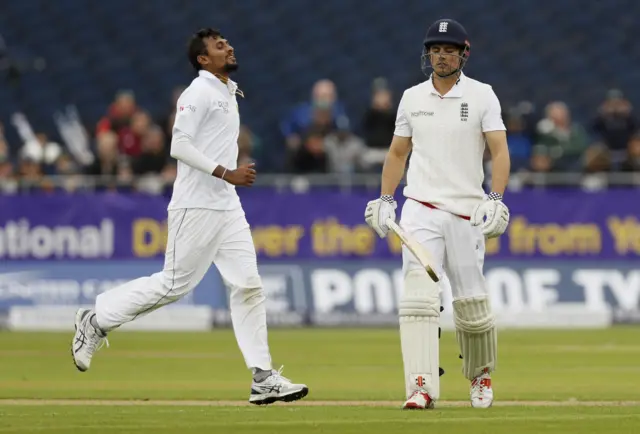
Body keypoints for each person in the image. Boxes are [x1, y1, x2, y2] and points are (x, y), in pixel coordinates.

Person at [71, 28, 309, 406]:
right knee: (173, 286)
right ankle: (96, 319)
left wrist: (227, 183)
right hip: (195, 204)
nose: (229, 46)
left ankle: (262, 377)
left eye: (228, 42)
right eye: (219, 45)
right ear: (202, 59)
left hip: (226, 204)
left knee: (248, 285)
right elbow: (178, 145)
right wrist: (226, 172)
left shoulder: (227, 92)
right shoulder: (197, 93)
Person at [364, 18, 510, 410]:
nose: (441, 57)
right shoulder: (412, 97)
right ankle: (420, 387)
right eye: (435, 50)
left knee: (471, 306)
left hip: (466, 212)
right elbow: (397, 153)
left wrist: (495, 197)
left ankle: (480, 377)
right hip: (420, 210)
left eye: (449, 50)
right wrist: (386, 199)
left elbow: (498, 150)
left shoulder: (483, 96)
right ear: (427, 54)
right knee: (418, 299)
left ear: (464, 53)